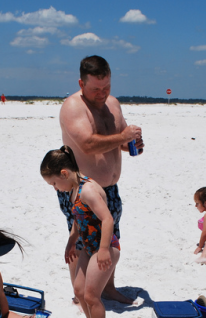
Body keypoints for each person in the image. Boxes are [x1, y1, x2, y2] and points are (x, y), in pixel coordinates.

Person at [59, 55, 143, 305]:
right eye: (96, 88)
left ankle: (107, 287)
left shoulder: (113, 104)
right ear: (81, 83)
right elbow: (87, 143)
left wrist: (132, 143)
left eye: (106, 87)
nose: (102, 93)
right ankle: (80, 294)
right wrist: (122, 137)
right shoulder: (73, 106)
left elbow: (120, 139)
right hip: (83, 190)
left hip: (110, 188)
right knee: (83, 242)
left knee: (110, 238)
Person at [40, 146, 119, 318]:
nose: (55, 188)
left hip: (105, 247)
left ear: (64, 173)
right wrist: (71, 241)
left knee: (92, 295)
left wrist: (103, 250)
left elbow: (107, 219)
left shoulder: (88, 190)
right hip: (88, 246)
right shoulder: (74, 188)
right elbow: (78, 218)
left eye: (54, 183)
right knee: (79, 290)